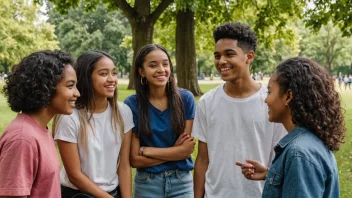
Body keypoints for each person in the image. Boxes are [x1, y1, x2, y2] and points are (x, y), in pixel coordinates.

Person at [192, 22, 287, 198]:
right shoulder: (207, 102)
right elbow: (202, 160)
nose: (221, 61)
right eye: (217, 56)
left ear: (249, 56)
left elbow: (280, 160)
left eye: (229, 54)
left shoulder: (272, 102)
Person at [236, 57, 346, 197]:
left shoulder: (298, 153)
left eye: (270, 92)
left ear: (288, 96)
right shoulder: (309, 142)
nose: (266, 99)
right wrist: (270, 174)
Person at [53, 50, 134, 198]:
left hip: (113, 193)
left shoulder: (124, 112)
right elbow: (74, 175)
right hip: (78, 194)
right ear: (86, 78)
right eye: (103, 74)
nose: (112, 79)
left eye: (114, 73)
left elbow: (124, 165)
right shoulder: (69, 117)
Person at [0, 50, 79, 197]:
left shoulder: (40, 129)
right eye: (70, 86)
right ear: (45, 87)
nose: (77, 93)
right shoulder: (23, 139)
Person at [124, 44, 196, 198]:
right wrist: (174, 152)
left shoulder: (185, 99)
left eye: (165, 64)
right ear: (141, 71)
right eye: (153, 65)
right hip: (147, 184)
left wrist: (147, 151)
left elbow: (185, 151)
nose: (161, 69)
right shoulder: (132, 104)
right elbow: (135, 160)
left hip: (181, 183)